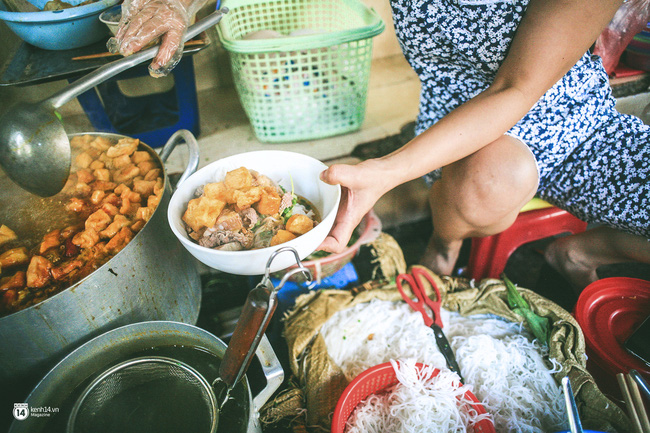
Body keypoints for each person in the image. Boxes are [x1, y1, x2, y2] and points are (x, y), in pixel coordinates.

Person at [111, 0, 650, 291]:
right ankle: (447, 244)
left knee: (499, 179)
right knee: (488, 182)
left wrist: (386, 171)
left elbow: (516, 89)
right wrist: (177, 3)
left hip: (566, 107)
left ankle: (581, 250)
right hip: (459, 105)